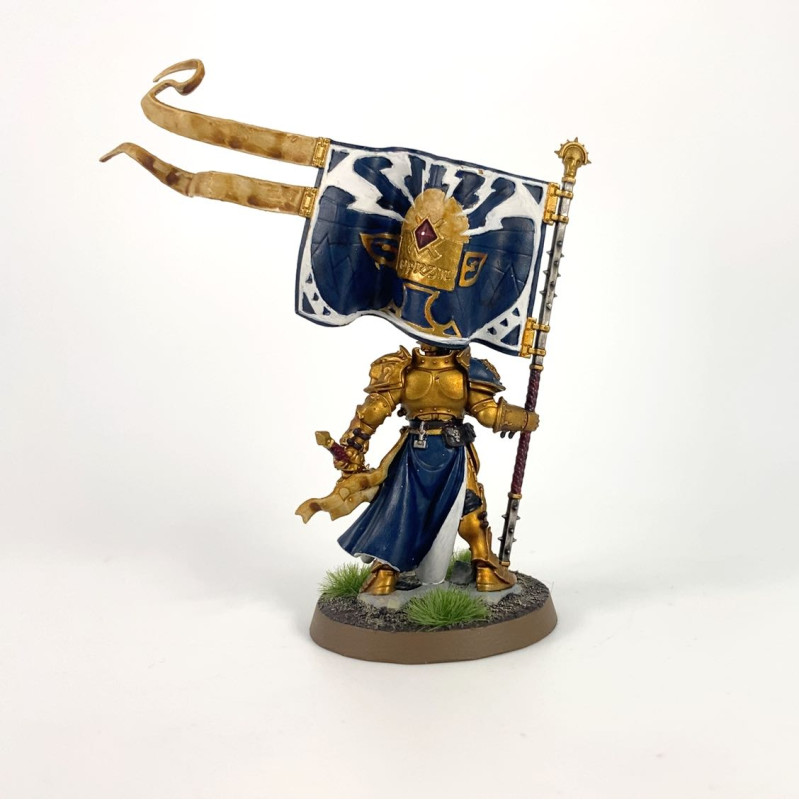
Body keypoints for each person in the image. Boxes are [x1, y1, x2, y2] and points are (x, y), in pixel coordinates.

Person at [298, 341, 539, 596]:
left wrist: (353, 445)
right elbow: (489, 414)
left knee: (403, 507)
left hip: (424, 451)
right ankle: (485, 570)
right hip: (444, 451)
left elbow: (373, 413)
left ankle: (386, 575)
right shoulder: (458, 369)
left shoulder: (408, 368)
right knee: (465, 506)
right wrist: (526, 419)